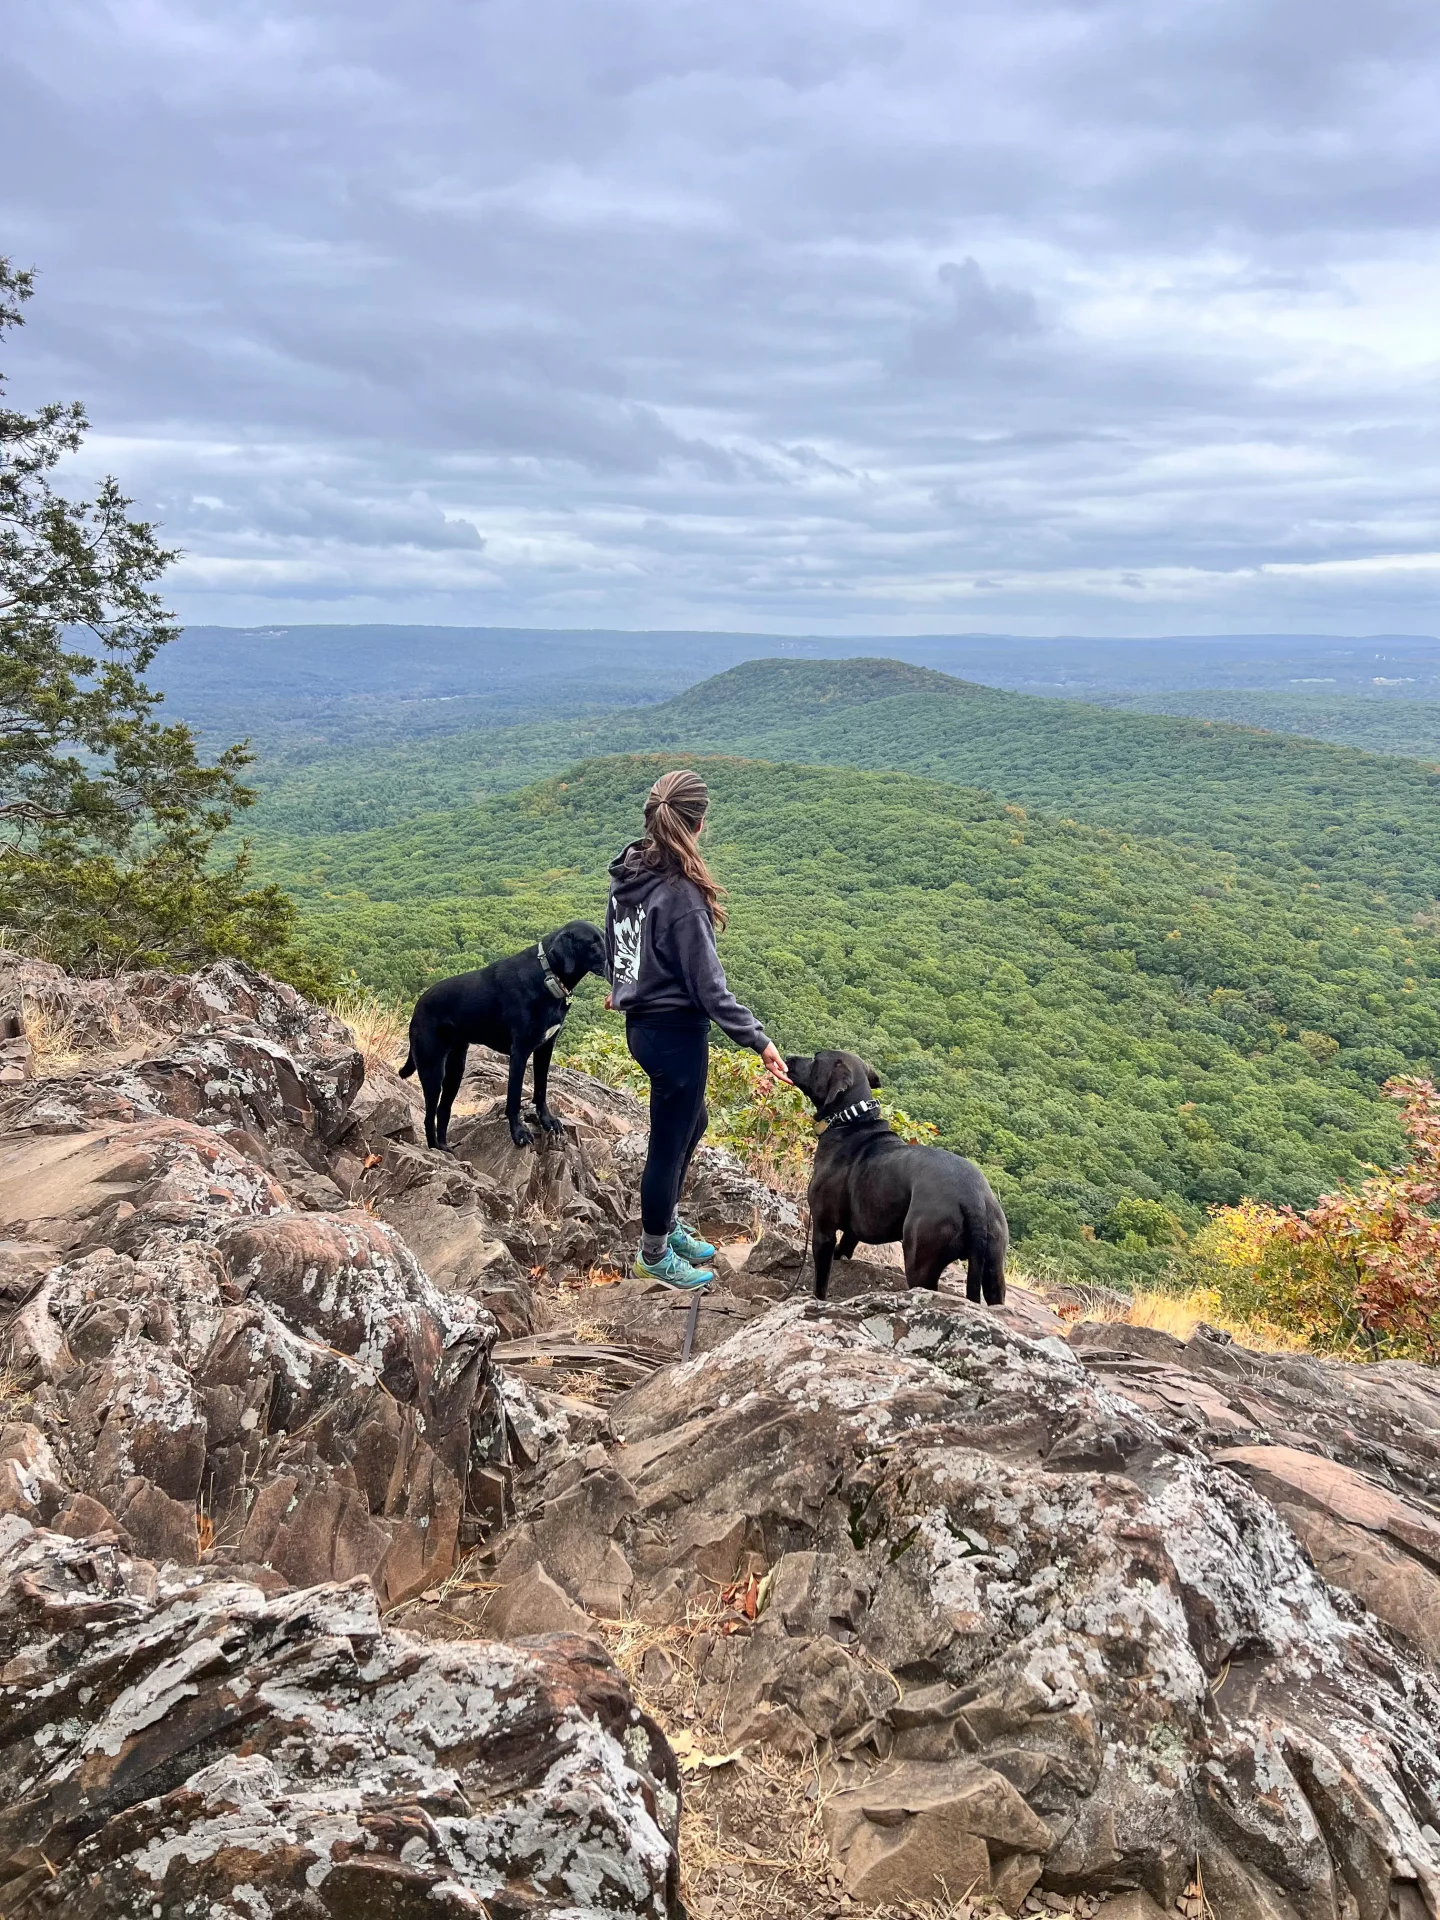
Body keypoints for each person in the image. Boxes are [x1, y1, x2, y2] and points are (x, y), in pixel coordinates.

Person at [605, 769, 789, 1289]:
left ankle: (665, 1223)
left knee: (694, 1122)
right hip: (675, 1034)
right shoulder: (681, 895)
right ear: (699, 823)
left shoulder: (630, 869)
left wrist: (621, 984)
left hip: (644, 1028)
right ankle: (654, 1253)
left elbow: (617, 932)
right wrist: (759, 1040)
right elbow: (711, 989)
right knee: (668, 1142)